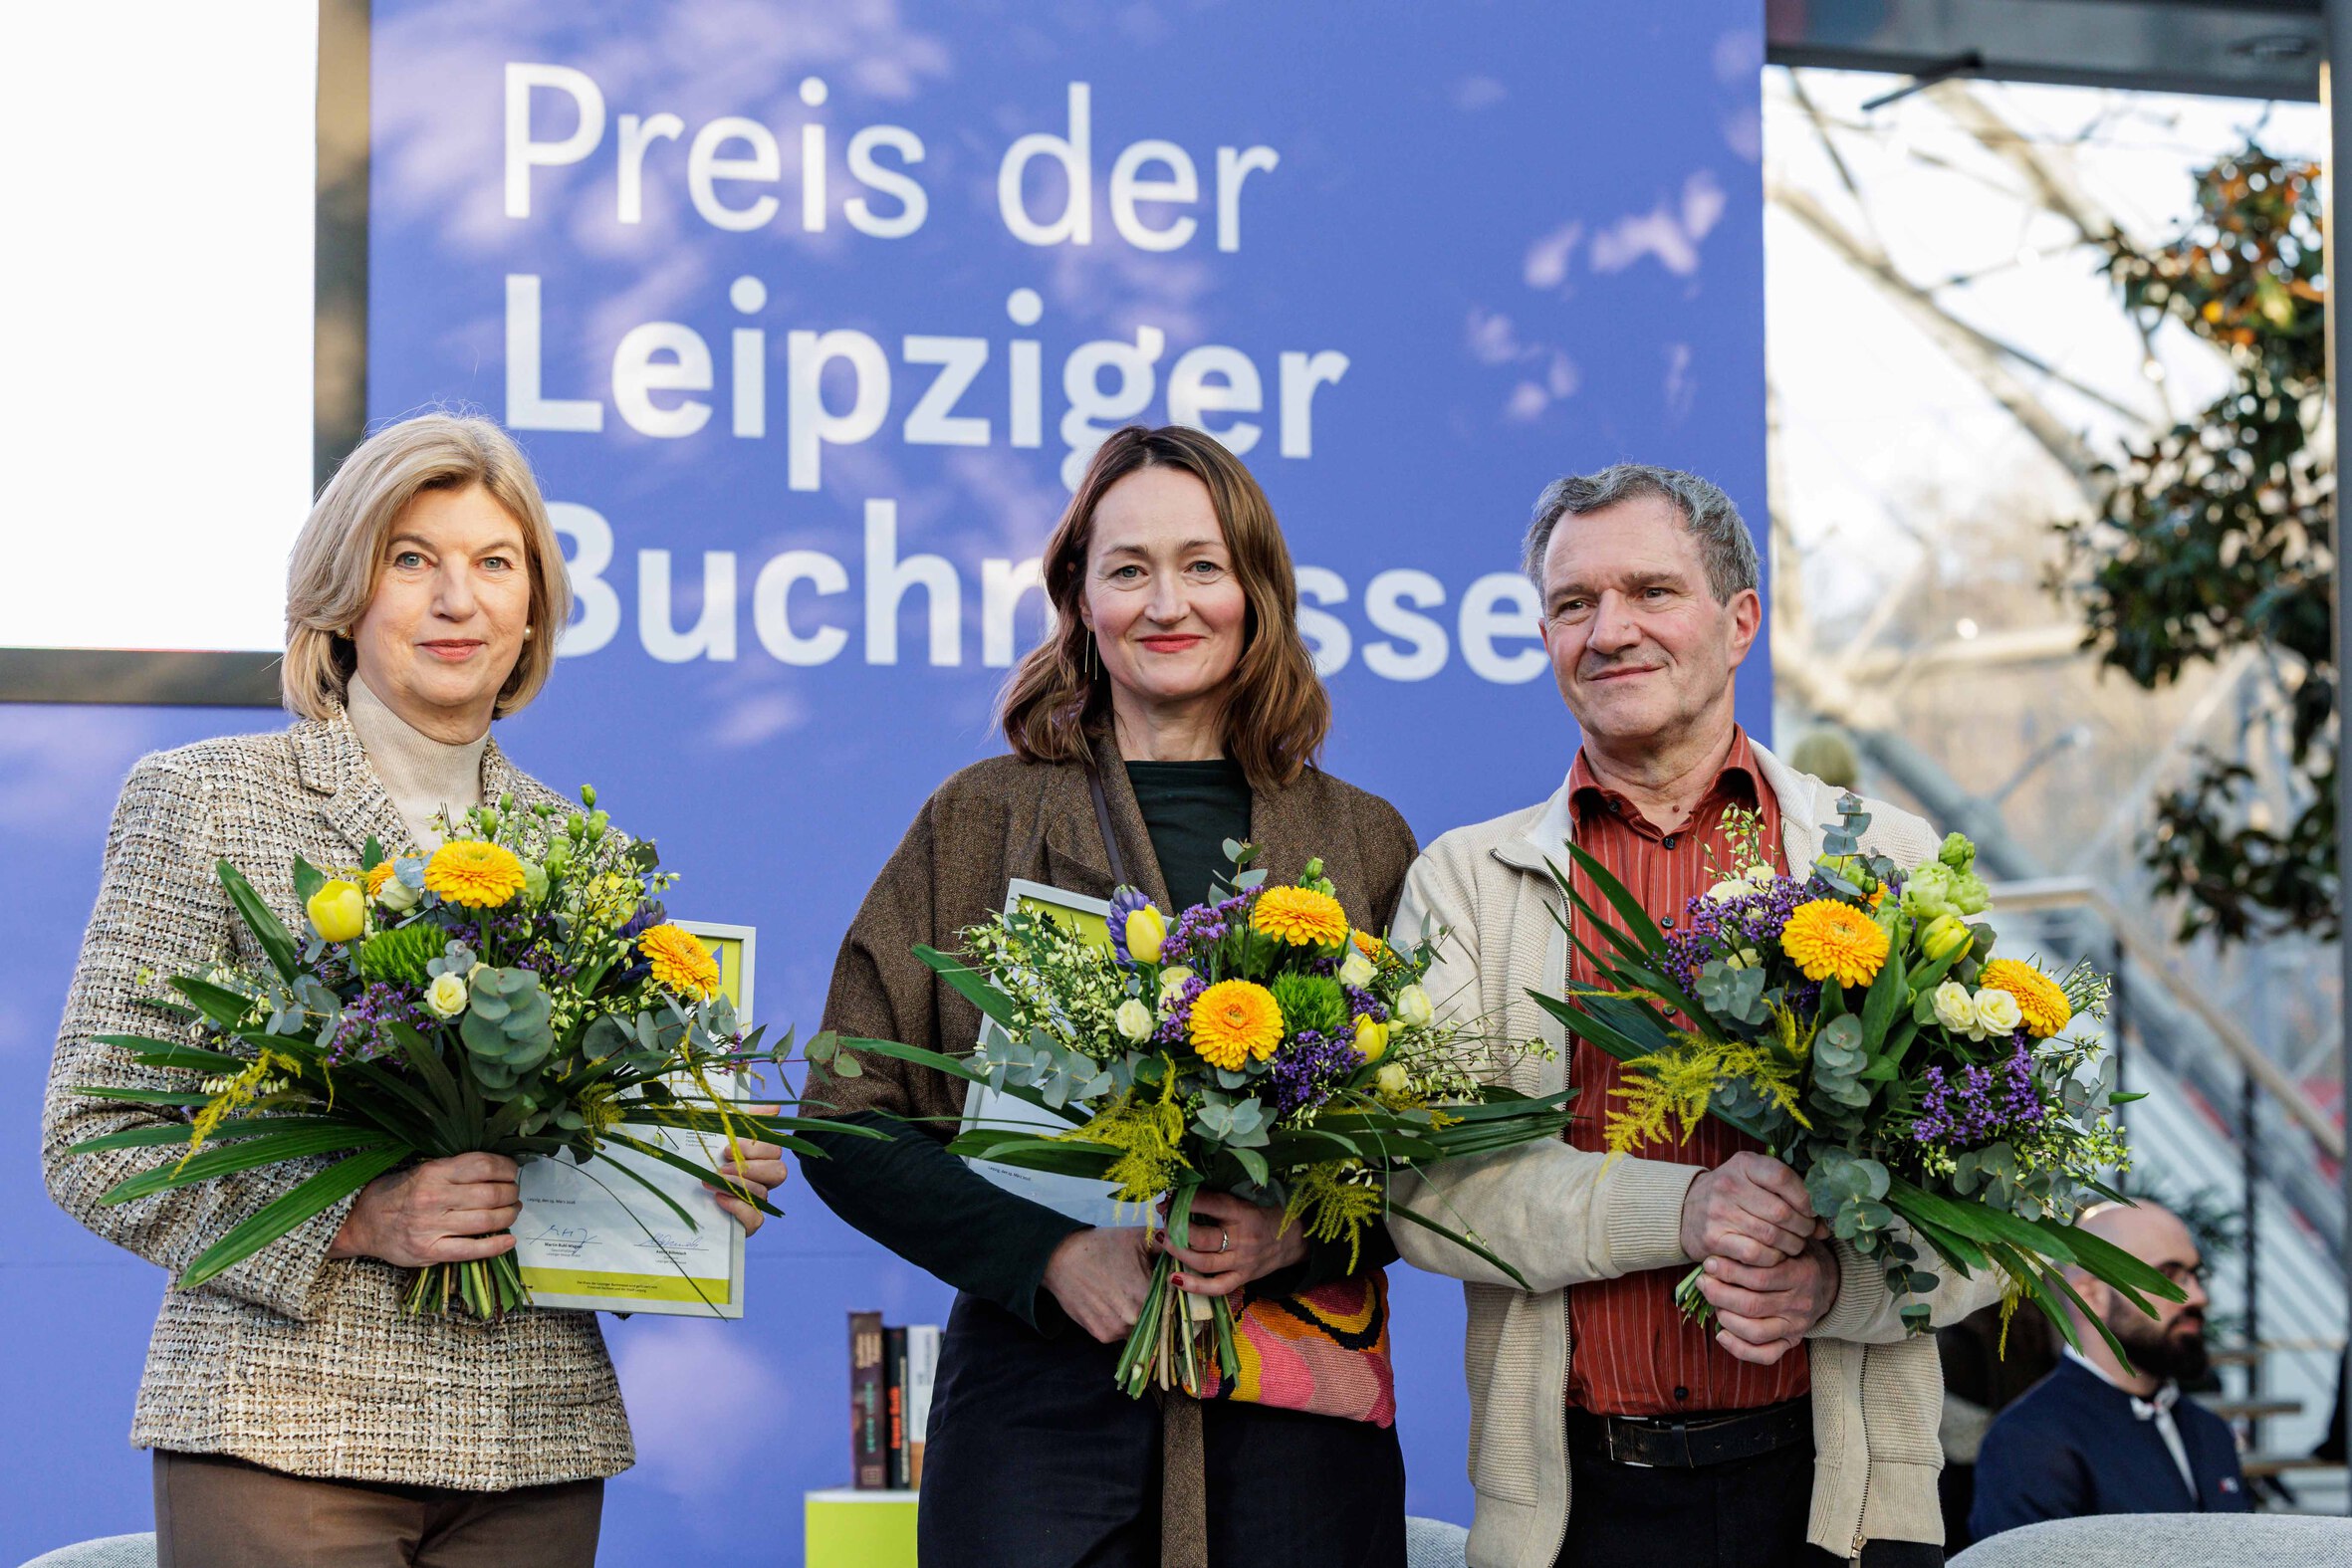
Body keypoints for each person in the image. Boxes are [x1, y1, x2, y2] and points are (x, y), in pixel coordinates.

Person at [41, 413, 790, 1568]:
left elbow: (580, 1148)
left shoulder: (586, 852)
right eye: (412, 559)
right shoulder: (206, 800)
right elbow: (97, 1136)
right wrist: (353, 1218)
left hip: (535, 1449)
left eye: (494, 562)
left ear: (532, 609)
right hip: (283, 1432)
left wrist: (690, 1176)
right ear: (344, 595)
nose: (457, 599)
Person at [804, 424, 1419, 1568]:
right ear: (1079, 597)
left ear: (1256, 590)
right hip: (1037, 1409)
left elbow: (1435, 1139)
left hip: (1294, 1416)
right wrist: (1047, 1255)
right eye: (1129, 569)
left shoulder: (1362, 840)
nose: (1166, 603)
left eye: (1202, 566)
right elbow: (845, 1120)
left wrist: (1296, 1233)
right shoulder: (981, 820)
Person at [1385, 464, 2007, 1568]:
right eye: (1573, 603)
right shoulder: (1467, 882)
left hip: (1844, 1506)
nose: (1608, 630)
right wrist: (1684, 1211)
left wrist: (1836, 1285)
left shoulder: (1887, 860)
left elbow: (1995, 1211)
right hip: (1574, 1515)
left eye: (1651, 591)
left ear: (1740, 622)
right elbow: (1427, 1194)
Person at [1969, 1201, 2248, 1537]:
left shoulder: (2211, 1432)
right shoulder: (2030, 1441)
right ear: (2092, 1295)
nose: (2198, 1297)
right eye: (2167, 1276)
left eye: (2195, 1276)